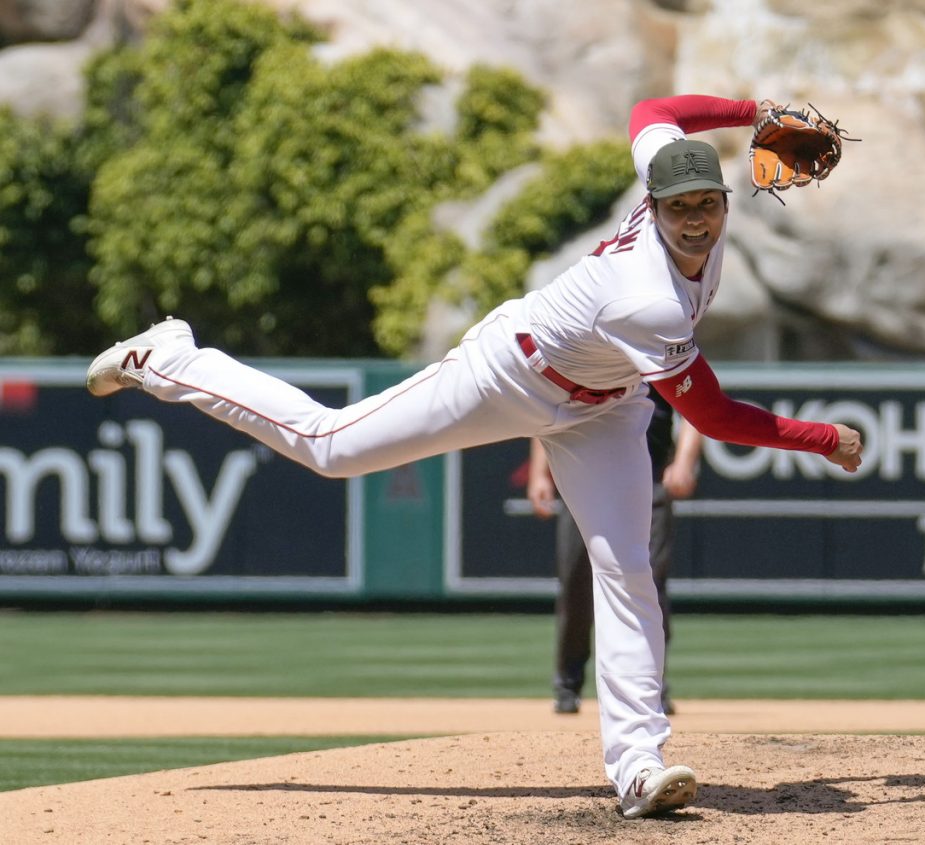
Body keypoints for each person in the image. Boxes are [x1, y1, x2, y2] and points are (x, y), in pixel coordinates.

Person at [86, 92, 862, 819]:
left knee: (625, 566)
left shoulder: (682, 204)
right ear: (653, 210)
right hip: (511, 373)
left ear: (727, 203)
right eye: (679, 208)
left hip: (608, 406)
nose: (694, 221)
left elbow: (653, 111)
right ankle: (171, 358)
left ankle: (638, 766)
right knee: (332, 446)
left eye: (707, 204)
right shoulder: (647, 295)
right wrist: (824, 437)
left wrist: (749, 111)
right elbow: (715, 416)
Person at [527, 397, 702, 716]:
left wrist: (685, 461)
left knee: (649, 587)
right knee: (576, 584)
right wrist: (540, 473)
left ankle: (652, 688)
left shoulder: (657, 349)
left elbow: (694, 406)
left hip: (650, 485)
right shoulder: (589, 350)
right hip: (584, 484)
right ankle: (568, 684)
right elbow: (550, 406)